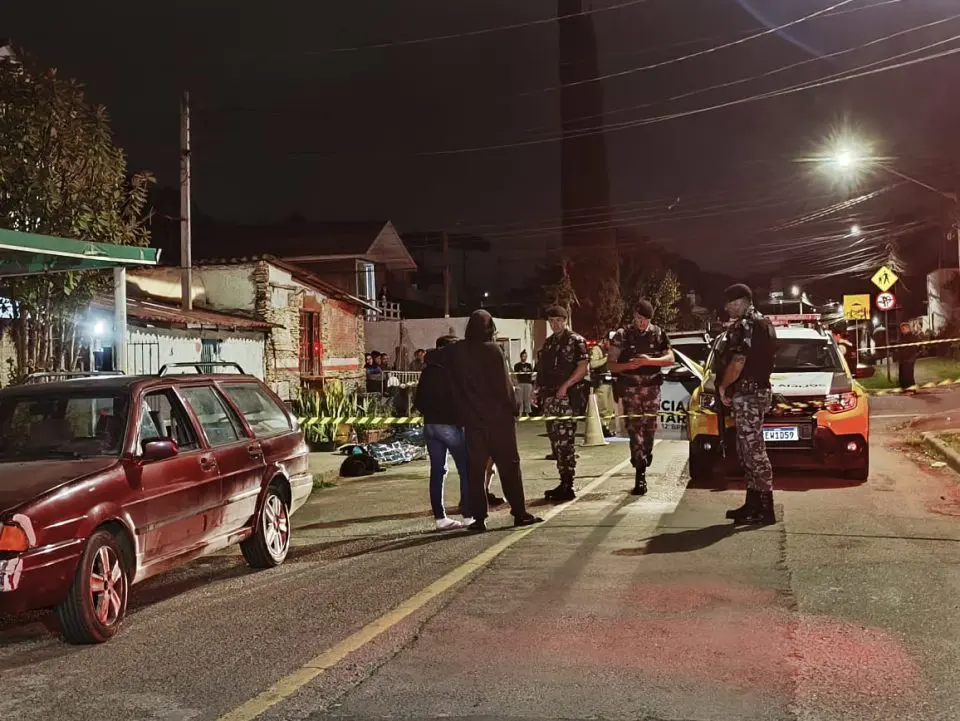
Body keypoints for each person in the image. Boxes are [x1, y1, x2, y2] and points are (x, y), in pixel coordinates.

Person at [446, 309, 542, 532]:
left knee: (476, 470)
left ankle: (478, 518)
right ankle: (519, 512)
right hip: (498, 421)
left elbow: (452, 382)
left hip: (473, 421)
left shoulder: (458, 351)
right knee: (509, 467)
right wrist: (514, 409)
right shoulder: (493, 351)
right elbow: (504, 387)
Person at [718, 283, 778, 525]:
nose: (727, 308)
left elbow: (739, 361)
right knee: (746, 449)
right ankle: (753, 504)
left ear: (741, 301)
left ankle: (765, 506)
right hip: (754, 393)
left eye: (730, 304)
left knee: (754, 451)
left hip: (750, 395)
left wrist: (723, 385)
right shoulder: (762, 323)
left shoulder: (747, 324)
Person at [607, 299, 675, 495]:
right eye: (637, 319)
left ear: (650, 319)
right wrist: (628, 366)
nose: (641, 323)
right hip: (631, 390)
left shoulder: (658, 333)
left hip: (651, 389)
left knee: (650, 430)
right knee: (634, 431)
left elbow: (670, 359)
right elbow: (611, 364)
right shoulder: (622, 335)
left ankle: (646, 454)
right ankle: (640, 473)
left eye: (644, 319)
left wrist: (650, 361)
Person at [413, 335, 473, 531]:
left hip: (430, 426)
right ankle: (469, 516)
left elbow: (418, 401)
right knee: (466, 469)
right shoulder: (453, 370)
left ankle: (440, 518)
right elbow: (461, 398)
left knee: (437, 471)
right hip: (450, 426)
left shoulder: (428, 370)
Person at [536, 305, 590, 502]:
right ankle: (562, 480)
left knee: (565, 441)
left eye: (558, 320)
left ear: (565, 320)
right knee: (555, 441)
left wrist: (566, 386)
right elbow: (542, 369)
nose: (554, 324)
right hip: (550, 398)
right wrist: (538, 390)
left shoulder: (576, 341)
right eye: (551, 321)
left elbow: (583, 368)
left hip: (567, 398)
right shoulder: (549, 343)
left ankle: (568, 483)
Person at [589, 334, 615, 438]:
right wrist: (606, 359)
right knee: (602, 407)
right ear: (605, 340)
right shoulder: (597, 350)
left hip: (610, 382)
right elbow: (592, 364)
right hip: (600, 383)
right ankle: (602, 427)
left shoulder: (611, 351)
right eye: (611, 342)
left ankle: (606, 426)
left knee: (609, 407)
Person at [896, 322, 919, 393]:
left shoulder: (912, 337)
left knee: (908, 375)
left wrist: (908, 356)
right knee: (902, 375)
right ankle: (905, 388)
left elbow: (913, 348)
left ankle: (911, 389)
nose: (902, 330)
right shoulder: (902, 337)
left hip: (909, 359)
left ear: (908, 328)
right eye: (901, 329)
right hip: (903, 359)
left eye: (903, 329)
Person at [513, 350, 535, 415]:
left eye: (525, 356)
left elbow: (531, 375)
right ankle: (520, 413)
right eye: (523, 356)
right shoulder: (517, 365)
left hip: (528, 384)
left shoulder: (529, 365)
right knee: (520, 400)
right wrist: (516, 383)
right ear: (520, 357)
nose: (524, 358)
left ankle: (528, 413)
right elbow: (515, 375)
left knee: (527, 399)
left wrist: (532, 384)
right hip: (520, 383)